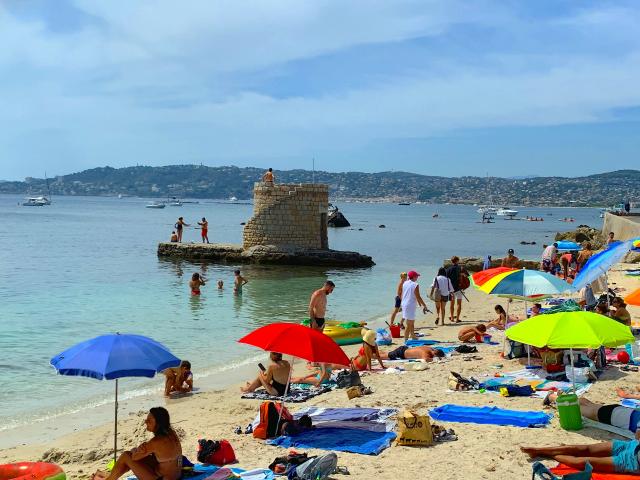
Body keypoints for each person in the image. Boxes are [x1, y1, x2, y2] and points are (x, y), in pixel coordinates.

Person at [92, 407, 182, 480]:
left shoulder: (155, 442)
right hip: (176, 475)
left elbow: (134, 457)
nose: (145, 422)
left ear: (158, 424)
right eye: (146, 419)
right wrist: (142, 450)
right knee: (133, 456)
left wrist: (136, 450)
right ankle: (111, 476)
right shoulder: (171, 433)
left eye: (149, 421)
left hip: (161, 478)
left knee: (126, 455)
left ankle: (110, 478)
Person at [520, 440, 640, 474]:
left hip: (632, 462)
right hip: (631, 446)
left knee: (584, 463)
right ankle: (539, 450)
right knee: (586, 448)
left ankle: (548, 454)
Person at [401, 270, 427, 341]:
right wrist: (424, 305)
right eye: (417, 276)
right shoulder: (415, 284)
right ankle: (406, 340)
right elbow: (418, 296)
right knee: (409, 324)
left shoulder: (405, 283)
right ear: (414, 277)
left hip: (404, 304)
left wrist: (419, 303)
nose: (417, 277)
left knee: (411, 322)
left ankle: (413, 336)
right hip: (410, 305)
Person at [445, 256, 466, 323]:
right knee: (459, 304)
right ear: (457, 261)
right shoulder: (460, 268)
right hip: (459, 288)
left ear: (452, 261)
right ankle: (457, 319)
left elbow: (446, 279)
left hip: (451, 289)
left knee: (452, 304)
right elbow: (466, 276)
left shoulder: (448, 269)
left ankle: (452, 317)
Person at [380, 345, 445, 362]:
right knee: (384, 356)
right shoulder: (426, 353)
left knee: (388, 353)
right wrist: (436, 359)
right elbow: (426, 359)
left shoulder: (430, 348)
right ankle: (372, 355)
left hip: (405, 349)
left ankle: (377, 352)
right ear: (435, 355)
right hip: (401, 353)